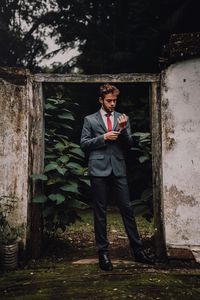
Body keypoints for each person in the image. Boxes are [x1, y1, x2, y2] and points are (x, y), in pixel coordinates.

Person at [80, 83, 154, 271]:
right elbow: (84, 144)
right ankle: (103, 254)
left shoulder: (122, 119)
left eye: (115, 100)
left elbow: (128, 144)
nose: (113, 104)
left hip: (118, 169)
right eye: (109, 100)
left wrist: (121, 130)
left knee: (127, 210)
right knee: (100, 213)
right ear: (101, 100)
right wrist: (103, 137)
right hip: (98, 170)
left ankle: (138, 251)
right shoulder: (89, 120)